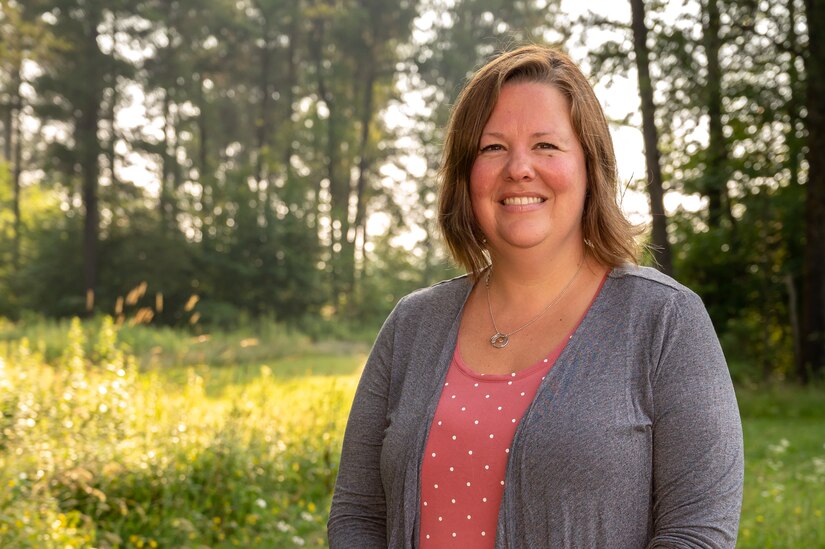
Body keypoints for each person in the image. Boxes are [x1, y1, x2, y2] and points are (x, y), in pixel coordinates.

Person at [327, 45, 743, 548]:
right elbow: (358, 515)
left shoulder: (665, 322)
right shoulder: (413, 324)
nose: (519, 168)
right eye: (492, 147)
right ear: (465, 175)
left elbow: (697, 534)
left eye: (546, 145)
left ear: (591, 166)